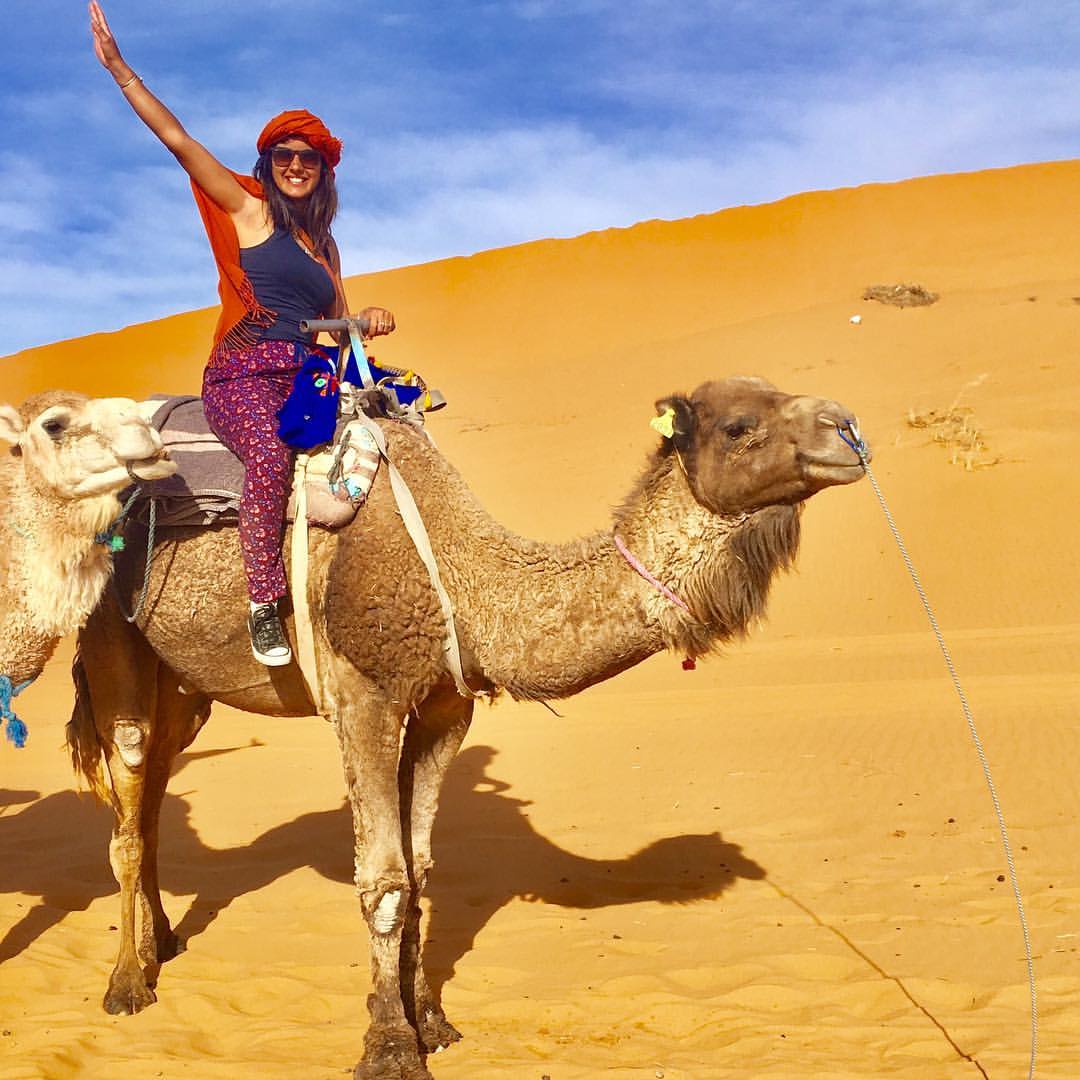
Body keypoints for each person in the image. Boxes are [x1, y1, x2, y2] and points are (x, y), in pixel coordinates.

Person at [89, 2, 395, 667]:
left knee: (389, 440)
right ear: (268, 162)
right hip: (242, 374)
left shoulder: (325, 248)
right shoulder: (248, 209)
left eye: (308, 157)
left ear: (323, 170)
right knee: (270, 454)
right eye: (284, 155)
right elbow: (179, 141)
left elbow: (338, 329)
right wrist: (121, 71)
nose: (295, 165)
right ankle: (263, 603)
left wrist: (367, 318)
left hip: (307, 379)